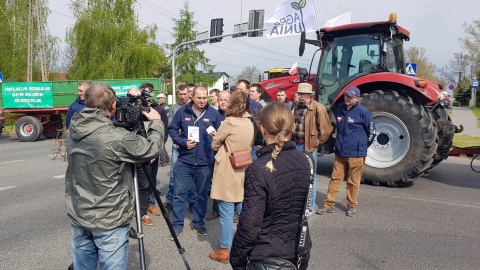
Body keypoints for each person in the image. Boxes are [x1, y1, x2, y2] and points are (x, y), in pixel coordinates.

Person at [65, 83, 163, 269]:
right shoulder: (116, 138)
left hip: (79, 214)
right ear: (113, 107)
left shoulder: (72, 131)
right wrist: (156, 122)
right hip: (110, 220)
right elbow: (151, 148)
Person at [230, 102, 312, 270]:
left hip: (268, 256)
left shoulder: (258, 169)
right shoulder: (308, 160)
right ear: (293, 126)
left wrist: (236, 259)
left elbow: (250, 224)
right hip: (299, 250)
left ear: (262, 130)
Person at [168, 85, 222, 238]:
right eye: (199, 98)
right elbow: (172, 129)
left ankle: (198, 223)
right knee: (179, 194)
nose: (202, 100)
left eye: (205, 98)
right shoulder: (182, 111)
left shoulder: (213, 113)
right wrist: (182, 141)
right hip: (184, 160)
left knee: (202, 195)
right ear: (192, 97)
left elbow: (221, 133)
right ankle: (177, 225)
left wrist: (216, 137)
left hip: (205, 162)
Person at [208, 91, 254, 263]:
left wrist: (218, 141)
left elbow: (215, 143)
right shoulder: (249, 123)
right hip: (243, 168)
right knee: (243, 208)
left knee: (226, 211)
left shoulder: (229, 122)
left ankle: (224, 250)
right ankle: (249, 245)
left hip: (228, 169)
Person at [317, 86, 375, 217]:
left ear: (357, 98)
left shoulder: (364, 112)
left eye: (350, 96)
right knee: (335, 179)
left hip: (356, 153)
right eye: (346, 95)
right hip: (340, 152)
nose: (347, 98)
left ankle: (352, 206)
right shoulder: (340, 109)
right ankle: (328, 205)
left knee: (353, 181)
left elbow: (372, 132)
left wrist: (362, 146)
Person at [293, 83, 333, 213]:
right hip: (297, 145)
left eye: (302, 94)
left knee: (311, 178)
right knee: (298, 177)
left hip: (309, 147)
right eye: (299, 94)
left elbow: (327, 130)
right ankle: (300, 205)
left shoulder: (318, 108)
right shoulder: (298, 107)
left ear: (310, 95)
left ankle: (309, 207)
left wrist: (316, 144)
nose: (300, 96)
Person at [165, 84, 196, 214]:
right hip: (178, 146)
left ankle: (192, 201)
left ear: (189, 93)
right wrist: (180, 141)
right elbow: (172, 127)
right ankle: (171, 200)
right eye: (180, 94)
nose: (183, 97)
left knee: (193, 177)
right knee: (174, 175)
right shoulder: (175, 108)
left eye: (185, 94)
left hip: (193, 146)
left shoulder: (195, 107)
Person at [141, 84, 168, 221]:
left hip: (154, 150)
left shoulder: (159, 109)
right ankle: (140, 207)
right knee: (140, 180)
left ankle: (150, 204)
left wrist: (156, 150)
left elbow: (164, 130)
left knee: (151, 179)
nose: (147, 95)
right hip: (139, 150)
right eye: (144, 93)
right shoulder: (138, 108)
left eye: (149, 93)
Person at [206, 90, 231, 221]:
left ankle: (233, 211)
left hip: (232, 155)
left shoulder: (234, 116)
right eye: (220, 99)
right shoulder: (214, 115)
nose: (222, 102)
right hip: (217, 154)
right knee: (216, 182)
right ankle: (216, 210)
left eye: (226, 100)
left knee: (231, 184)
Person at [156, 93, 170, 166]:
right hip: (163, 127)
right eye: (158, 98)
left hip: (164, 127)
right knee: (162, 144)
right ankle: (167, 159)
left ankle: (163, 161)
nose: (158, 100)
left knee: (160, 144)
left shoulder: (165, 108)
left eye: (159, 98)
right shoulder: (161, 107)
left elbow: (166, 119)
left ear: (163, 99)